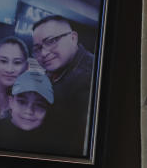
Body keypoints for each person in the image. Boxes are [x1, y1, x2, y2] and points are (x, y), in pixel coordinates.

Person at [31, 15, 97, 155]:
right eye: (37, 48)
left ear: (73, 38)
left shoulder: (90, 78)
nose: (43, 53)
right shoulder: (55, 70)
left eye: (51, 41)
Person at [0, 70, 69, 154]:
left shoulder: (51, 142)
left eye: (39, 105)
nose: (29, 111)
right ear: (11, 102)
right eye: (22, 102)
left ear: (47, 109)